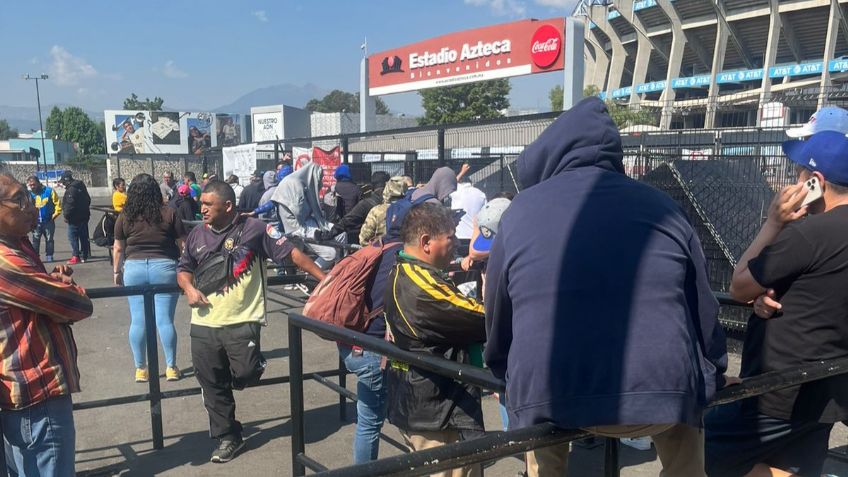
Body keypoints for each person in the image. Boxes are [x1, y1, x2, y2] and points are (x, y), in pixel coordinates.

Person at [483, 98, 728, 477]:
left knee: (542, 455)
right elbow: (704, 311)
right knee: (686, 440)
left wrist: (503, 373)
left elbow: (498, 314)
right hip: (660, 396)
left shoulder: (519, 213)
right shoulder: (663, 206)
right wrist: (713, 371)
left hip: (553, 397)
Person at [705, 131, 848, 477]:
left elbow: (739, 286)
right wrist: (772, 299)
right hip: (829, 386)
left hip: (778, 389)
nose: (791, 179)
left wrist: (774, 222)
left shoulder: (810, 234)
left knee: (706, 449)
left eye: (798, 172)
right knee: (793, 464)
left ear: (815, 181)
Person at [177, 181, 324, 463]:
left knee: (244, 373)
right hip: (204, 324)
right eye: (202, 203)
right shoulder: (196, 234)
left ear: (228, 206)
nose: (202, 208)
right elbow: (183, 269)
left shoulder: (254, 229)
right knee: (211, 384)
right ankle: (229, 437)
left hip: (242, 320)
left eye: (209, 204)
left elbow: (291, 253)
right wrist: (188, 288)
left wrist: (326, 280)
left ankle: (254, 364)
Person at [0, 173, 93, 476]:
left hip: (28, 393)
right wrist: (65, 290)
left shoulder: (19, 244)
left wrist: (51, 283)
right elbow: (76, 305)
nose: (29, 206)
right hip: (35, 393)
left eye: (27, 197)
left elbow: (40, 298)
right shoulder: (5, 261)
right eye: (18, 199)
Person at [384, 202, 486, 477]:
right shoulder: (422, 287)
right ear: (426, 242)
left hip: (420, 402)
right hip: (437, 410)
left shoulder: (403, 268)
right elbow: (481, 319)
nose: (456, 243)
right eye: (451, 238)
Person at [338, 205, 406, 464]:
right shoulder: (401, 257)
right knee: (370, 422)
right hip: (373, 349)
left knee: (370, 417)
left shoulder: (373, 247)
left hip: (351, 340)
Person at [113, 173, 187, 383]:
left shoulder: (125, 215)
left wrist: (117, 272)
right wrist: (186, 270)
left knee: (138, 321)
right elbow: (183, 245)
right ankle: (171, 367)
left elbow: (118, 247)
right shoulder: (169, 212)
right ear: (155, 190)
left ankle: (141, 369)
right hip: (164, 267)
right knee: (165, 320)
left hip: (134, 268)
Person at [272, 163, 343, 268]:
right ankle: (311, 276)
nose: (321, 181)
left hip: (303, 225)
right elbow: (299, 213)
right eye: (320, 177)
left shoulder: (298, 183)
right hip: (298, 228)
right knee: (330, 254)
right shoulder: (296, 185)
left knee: (341, 236)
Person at [319, 171, 391, 245]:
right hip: (393, 246)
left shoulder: (366, 204)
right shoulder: (397, 203)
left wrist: (327, 235)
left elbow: (347, 221)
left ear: (372, 186)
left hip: (372, 247)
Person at [359, 176, 406, 245]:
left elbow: (364, 238)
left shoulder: (377, 211)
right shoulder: (414, 210)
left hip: (382, 251)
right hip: (406, 253)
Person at [27, 175, 62, 263]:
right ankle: (36, 257)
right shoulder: (29, 194)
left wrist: (54, 216)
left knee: (49, 240)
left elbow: (58, 204)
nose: (32, 187)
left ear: (38, 183)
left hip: (48, 221)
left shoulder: (49, 191)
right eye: (30, 185)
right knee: (35, 240)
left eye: (33, 184)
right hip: (36, 222)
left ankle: (49, 256)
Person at [60, 171, 92, 265]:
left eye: (63, 182)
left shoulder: (71, 190)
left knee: (72, 237)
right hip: (84, 216)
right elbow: (88, 199)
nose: (62, 184)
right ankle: (84, 255)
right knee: (84, 237)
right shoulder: (81, 186)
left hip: (74, 218)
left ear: (67, 181)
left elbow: (70, 205)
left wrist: (66, 216)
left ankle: (76, 255)